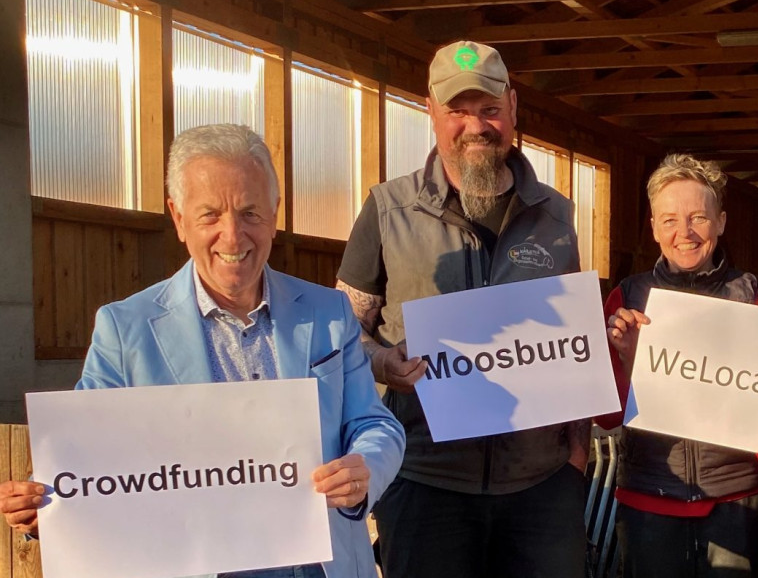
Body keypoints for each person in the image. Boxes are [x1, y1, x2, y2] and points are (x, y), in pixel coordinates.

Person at [0, 124, 405, 578]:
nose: (233, 237)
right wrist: (46, 506)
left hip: (319, 564)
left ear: (274, 212)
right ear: (178, 218)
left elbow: (374, 423)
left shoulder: (328, 312)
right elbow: (86, 457)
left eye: (250, 213)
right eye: (210, 215)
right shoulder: (126, 330)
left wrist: (363, 468)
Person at [335, 40, 588, 578]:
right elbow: (343, 331)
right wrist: (382, 363)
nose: (476, 126)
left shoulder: (556, 217)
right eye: (458, 111)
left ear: (513, 108)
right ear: (430, 110)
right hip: (426, 483)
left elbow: (575, 342)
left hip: (541, 488)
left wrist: (576, 458)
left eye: (489, 109)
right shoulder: (387, 211)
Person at [600, 153, 758, 578]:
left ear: (720, 222)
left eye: (698, 217)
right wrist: (628, 359)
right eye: (669, 220)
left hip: (735, 501)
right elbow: (607, 416)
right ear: (653, 228)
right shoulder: (625, 300)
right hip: (648, 500)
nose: (684, 232)